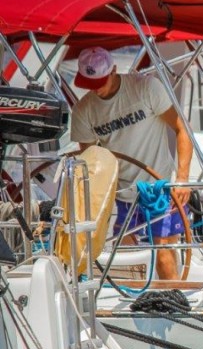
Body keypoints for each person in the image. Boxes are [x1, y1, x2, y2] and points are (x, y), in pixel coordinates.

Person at [70, 46, 192, 280]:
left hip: (160, 187)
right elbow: (91, 162)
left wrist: (183, 180)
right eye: (89, 84)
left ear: (114, 70)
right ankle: (137, 307)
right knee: (124, 257)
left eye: (100, 82)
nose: (95, 90)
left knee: (164, 255)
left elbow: (181, 130)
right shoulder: (83, 110)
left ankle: (175, 304)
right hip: (121, 193)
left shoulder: (146, 88)